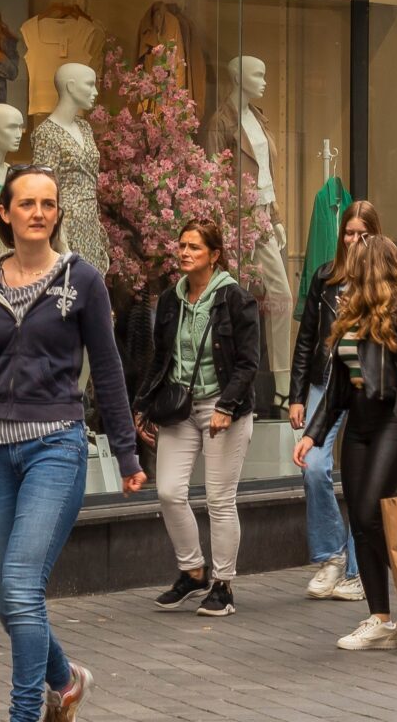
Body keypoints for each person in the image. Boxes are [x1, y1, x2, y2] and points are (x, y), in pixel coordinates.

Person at [0, 166, 145, 722]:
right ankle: (66, 680)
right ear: (6, 212)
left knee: (22, 585)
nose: (40, 212)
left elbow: (110, 373)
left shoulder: (82, 281)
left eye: (49, 203)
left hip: (56, 448)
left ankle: (28, 712)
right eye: (28, 203)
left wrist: (126, 454)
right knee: (6, 599)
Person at [297, 232, 397, 650]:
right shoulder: (350, 313)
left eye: (354, 266)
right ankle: (379, 617)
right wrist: (313, 435)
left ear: (371, 267)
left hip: (393, 422)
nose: (345, 274)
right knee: (360, 518)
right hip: (358, 423)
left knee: (370, 510)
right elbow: (337, 385)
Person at [135, 219, 261, 618]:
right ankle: (193, 571)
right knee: (170, 491)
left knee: (220, 500)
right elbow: (160, 358)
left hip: (224, 408)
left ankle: (223, 585)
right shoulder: (171, 300)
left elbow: (248, 362)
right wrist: (143, 404)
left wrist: (226, 406)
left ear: (214, 255)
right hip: (180, 408)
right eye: (182, 245)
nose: (185, 253)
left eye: (194, 247)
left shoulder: (235, 299)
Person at [290, 200, 382, 600]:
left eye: (364, 233)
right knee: (313, 467)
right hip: (324, 381)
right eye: (349, 232)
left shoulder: (384, 281)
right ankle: (332, 555)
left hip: (367, 387)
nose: (356, 240)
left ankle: (359, 571)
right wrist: (296, 394)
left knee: (362, 479)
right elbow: (306, 337)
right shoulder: (325, 278)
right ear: (341, 234)